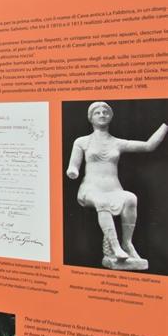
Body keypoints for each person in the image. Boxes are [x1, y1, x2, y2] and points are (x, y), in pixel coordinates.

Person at [66, 102, 167, 262]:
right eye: (97, 112)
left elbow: (149, 146)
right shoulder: (81, 142)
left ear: (110, 117)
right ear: (90, 118)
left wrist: (165, 124)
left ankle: (127, 243)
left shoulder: (117, 143)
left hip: (114, 189)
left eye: (105, 112)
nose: (101, 114)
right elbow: (73, 165)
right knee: (101, 201)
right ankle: (115, 247)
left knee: (131, 198)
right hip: (91, 189)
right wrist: (73, 171)